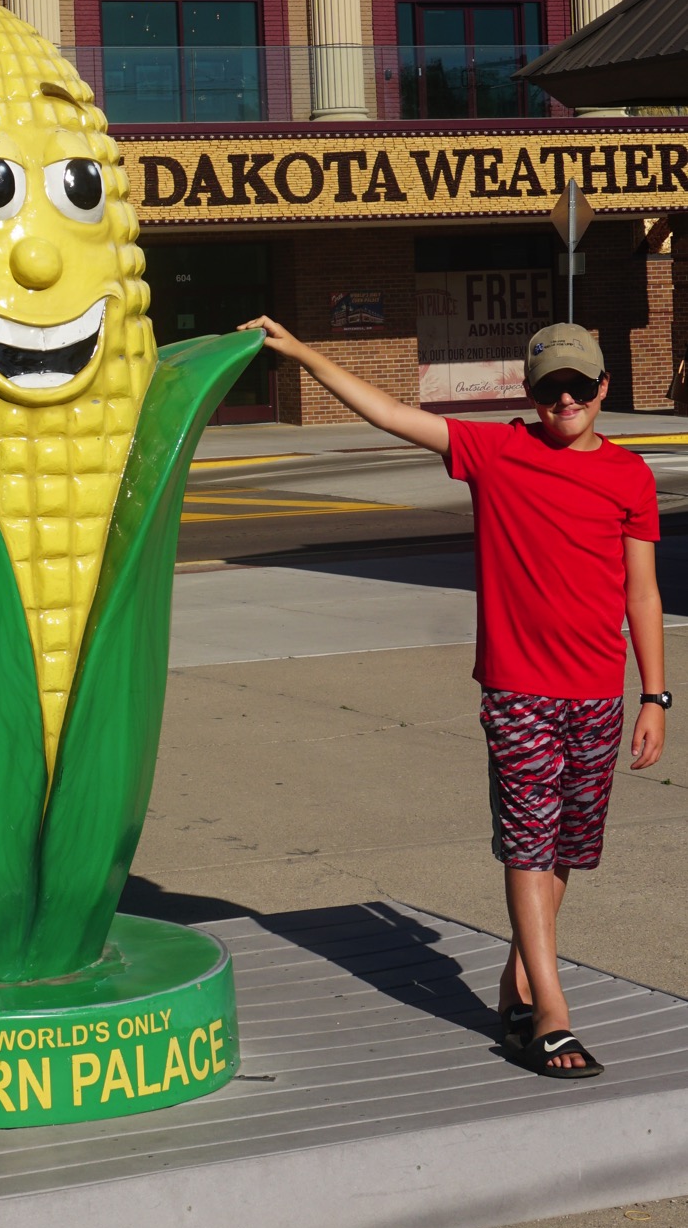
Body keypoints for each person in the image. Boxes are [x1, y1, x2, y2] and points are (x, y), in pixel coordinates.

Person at [244, 314, 666, 1081]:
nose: (564, 401)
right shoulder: (496, 450)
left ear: (604, 387)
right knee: (529, 843)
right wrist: (303, 352)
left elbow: (642, 592)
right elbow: (388, 412)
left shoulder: (630, 476)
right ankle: (552, 1016)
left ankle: (516, 987)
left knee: (567, 848)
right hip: (520, 690)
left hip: (600, 693)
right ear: (531, 394)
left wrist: (656, 696)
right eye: (549, 390)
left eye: (578, 387)